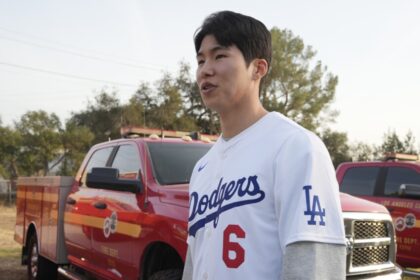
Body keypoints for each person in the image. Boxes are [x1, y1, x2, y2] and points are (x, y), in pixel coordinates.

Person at [183, 11, 346, 280]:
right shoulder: (202, 167)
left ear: (258, 68)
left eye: (219, 56)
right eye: (201, 60)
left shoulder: (295, 146)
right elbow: (195, 261)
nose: (205, 69)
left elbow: (314, 264)